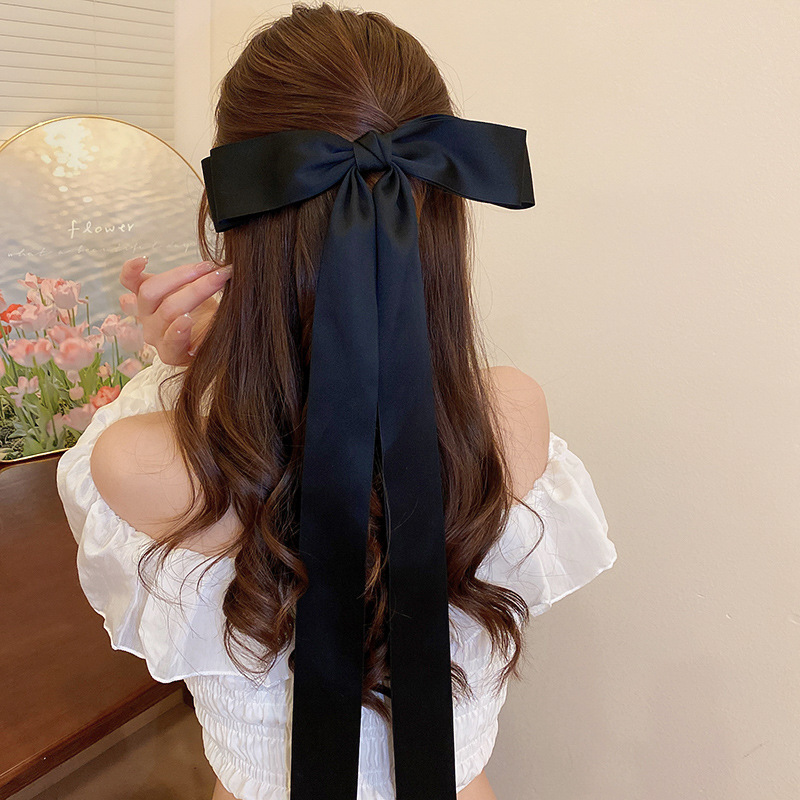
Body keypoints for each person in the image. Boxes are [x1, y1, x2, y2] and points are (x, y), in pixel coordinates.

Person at [56, 4, 618, 799]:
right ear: (442, 209)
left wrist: (175, 365)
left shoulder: (145, 460)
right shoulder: (511, 415)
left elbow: (129, 456)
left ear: (235, 213)